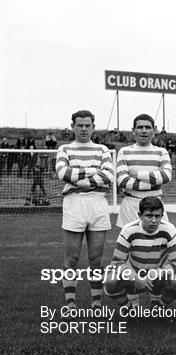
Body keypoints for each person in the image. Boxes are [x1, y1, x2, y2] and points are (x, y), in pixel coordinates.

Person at [56, 110, 114, 310]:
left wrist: (78, 177)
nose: (83, 129)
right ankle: (70, 303)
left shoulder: (102, 149)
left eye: (87, 125)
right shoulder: (65, 149)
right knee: (71, 257)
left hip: (98, 203)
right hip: (74, 203)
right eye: (79, 125)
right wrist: (93, 173)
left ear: (93, 127)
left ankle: (96, 303)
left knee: (96, 259)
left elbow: (108, 175)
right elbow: (63, 172)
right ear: (72, 126)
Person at [104, 197, 176, 312]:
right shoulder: (128, 230)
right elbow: (116, 262)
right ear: (140, 215)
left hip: (158, 276)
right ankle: (129, 309)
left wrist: (158, 273)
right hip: (134, 275)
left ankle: (159, 308)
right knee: (110, 281)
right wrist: (133, 276)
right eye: (149, 216)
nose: (154, 220)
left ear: (162, 215)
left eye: (157, 216)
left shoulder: (169, 229)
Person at [116, 114, 172, 228]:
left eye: (147, 127)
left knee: (158, 243)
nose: (144, 131)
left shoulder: (162, 152)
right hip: (131, 204)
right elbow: (122, 181)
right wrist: (154, 183)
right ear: (133, 130)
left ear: (154, 130)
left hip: (156, 204)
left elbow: (166, 176)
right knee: (130, 243)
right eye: (140, 127)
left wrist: (137, 174)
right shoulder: (124, 152)